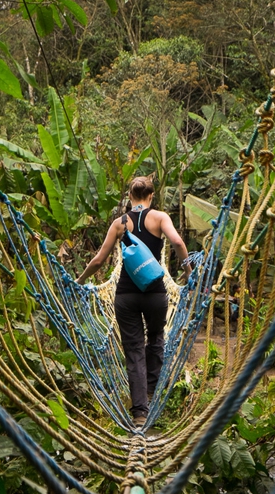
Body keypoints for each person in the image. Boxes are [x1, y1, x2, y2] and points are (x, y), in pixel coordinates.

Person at [76, 176, 192, 427]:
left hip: (126, 296)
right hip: (155, 294)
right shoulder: (160, 218)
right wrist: (188, 272)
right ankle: (151, 391)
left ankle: (140, 412)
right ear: (151, 196)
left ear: (129, 197)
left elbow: (98, 260)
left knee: (134, 350)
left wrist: (79, 280)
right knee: (156, 339)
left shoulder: (120, 223)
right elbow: (178, 242)